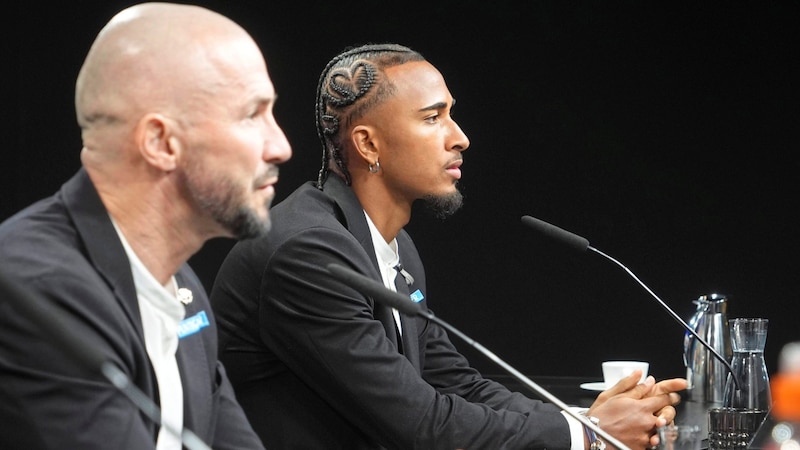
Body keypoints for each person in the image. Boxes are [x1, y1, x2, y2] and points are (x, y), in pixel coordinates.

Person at [209, 43, 686, 449]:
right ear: (368, 145)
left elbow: (457, 384)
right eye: (433, 118)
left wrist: (581, 418)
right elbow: (422, 425)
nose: (460, 138)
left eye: (451, 115)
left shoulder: (394, 248)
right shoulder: (308, 254)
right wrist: (587, 433)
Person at [0, 3, 291, 449]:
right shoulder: (35, 292)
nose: (281, 147)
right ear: (160, 143)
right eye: (253, 114)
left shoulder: (182, 285)